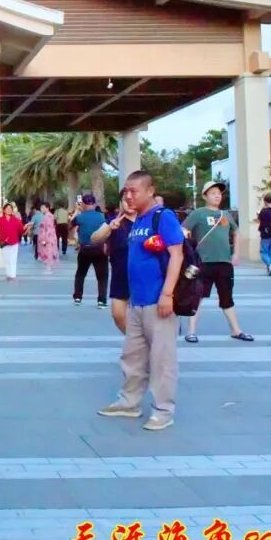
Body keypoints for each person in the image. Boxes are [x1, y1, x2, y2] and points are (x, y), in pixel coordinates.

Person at [98, 170, 183, 431]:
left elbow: (177, 255)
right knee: (133, 356)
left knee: (162, 359)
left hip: (158, 301)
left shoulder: (162, 217)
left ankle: (163, 411)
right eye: (126, 191)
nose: (128, 196)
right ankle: (129, 402)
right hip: (137, 302)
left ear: (150, 191)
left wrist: (167, 294)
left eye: (134, 191)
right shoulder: (137, 221)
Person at [181, 182, 254, 344]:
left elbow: (236, 232)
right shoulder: (198, 214)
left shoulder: (225, 215)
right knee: (197, 296)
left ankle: (236, 330)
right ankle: (191, 332)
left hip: (224, 263)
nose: (216, 196)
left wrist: (236, 253)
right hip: (203, 263)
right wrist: (188, 249)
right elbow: (183, 229)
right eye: (213, 193)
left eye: (219, 193)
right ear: (205, 196)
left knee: (227, 298)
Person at [90, 190, 136, 333]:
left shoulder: (148, 221)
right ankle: (135, 339)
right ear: (120, 203)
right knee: (118, 315)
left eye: (133, 198)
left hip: (145, 278)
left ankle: (139, 342)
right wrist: (110, 228)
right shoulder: (114, 221)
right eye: (125, 200)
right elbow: (95, 238)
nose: (129, 202)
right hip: (120, 277)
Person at [70, 194, 109, 308]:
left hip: (84, 249)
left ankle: (78, 297)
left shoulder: (80, 217)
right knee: (102, 276)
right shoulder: (101, 216)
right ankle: (101, 300)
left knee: (80, 274)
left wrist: (77, 210)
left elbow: (70, 224)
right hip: (99, 249)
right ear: (94, 204)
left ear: (83, 204)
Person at [0, 203, 25, 282]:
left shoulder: (16, 219)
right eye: (7, 208)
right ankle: (8, 275)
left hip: (14, 242)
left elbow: (22, 230)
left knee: (13, 259)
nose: (9, 210)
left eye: (10, 208)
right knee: (7, 260)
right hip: (4, 243)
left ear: (12, 210)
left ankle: (13, 276)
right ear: (4, 210)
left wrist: (26, 227)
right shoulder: (0, 219)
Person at [34, 201, 60, 272]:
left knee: (48, 252)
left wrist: (44, 239)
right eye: (41, 208)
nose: (41, 209)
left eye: (43, 207)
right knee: (48, 252)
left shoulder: (48, 216)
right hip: (48, 236)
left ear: (47, 208)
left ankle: (49, 269)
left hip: (48, 237)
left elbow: (49, 229)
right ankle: (49, 268)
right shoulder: (48, 215)